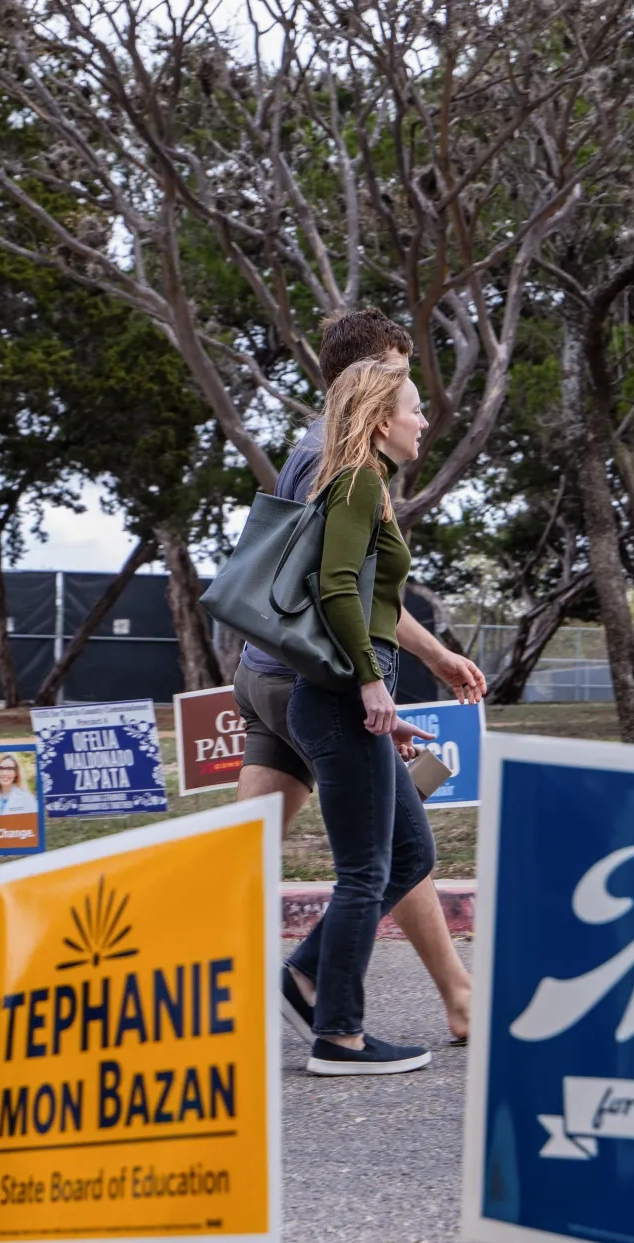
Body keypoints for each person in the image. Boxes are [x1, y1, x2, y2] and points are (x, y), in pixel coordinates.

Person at [234, 310, 483, 1047]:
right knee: (390, 852)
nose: (415, 399)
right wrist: (380, 682)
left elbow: (355, 586)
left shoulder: (320, 447)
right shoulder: (338, 464)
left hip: (267, 678)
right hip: (314, 682)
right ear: (368, 386)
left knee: (240, 864)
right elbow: (340, 590)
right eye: (402, 378)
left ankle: (175, 994)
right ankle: (446, 1000)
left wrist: (432, 657)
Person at [280, 355, 446, 1075]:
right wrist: (375, 687)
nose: (423, 421)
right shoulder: (355, 481)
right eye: (414, 409)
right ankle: (339, 1036)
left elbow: (368, 604)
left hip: (353, 703)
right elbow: (336, 586)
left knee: (411, 854)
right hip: (339, 703)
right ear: (382, 421)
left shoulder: (368, 485)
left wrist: (385, 701)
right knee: (365, 869)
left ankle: (307, 976)